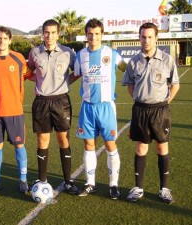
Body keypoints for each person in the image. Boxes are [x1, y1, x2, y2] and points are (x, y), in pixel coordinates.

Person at [122, 22, 179, 204]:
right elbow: (130, 84)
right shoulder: (133, 61)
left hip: (160, 110)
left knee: (162, 147)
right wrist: (139, 99)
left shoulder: (167, 59)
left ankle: (164, 189)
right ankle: (138, 188)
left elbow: (175, 84)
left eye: (149, 37)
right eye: (143, 37)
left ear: (156, 38)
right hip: (140, 110)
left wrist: (165, 102)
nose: (146, 40)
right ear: (139, 38)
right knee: (141, 147)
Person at [71, 18, 127, 199]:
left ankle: (113, 185)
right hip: (87, 107)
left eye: (96, 34)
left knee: (110, 145)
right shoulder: (80, 55)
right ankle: (90, 183)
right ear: (86, 35)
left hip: (106, 107)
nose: (93, 37)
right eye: (90, 34)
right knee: (89, 144)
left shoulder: (112, 54)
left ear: (102, 35)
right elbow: (76, 74)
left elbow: (129, 71)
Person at [27, 19, 78, 194]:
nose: (49, 36)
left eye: (53, 32)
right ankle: (42, 180)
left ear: (58, 33)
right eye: (46, 32)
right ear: (43, 33)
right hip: (41, 101)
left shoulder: (67, 52)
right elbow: (28, 71)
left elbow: (77, 71)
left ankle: (68, 181)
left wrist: (66, 82)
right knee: (43, 141)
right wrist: (39, 81)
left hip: (61, 101)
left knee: (63, 140)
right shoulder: (35, 52)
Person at [0, 26, 33, 194]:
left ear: (10, 40)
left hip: (14, 111)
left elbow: (31, 75)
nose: (1, 41)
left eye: (4, 38)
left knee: (19, 144)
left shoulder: (18, 59)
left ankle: (23, 180)